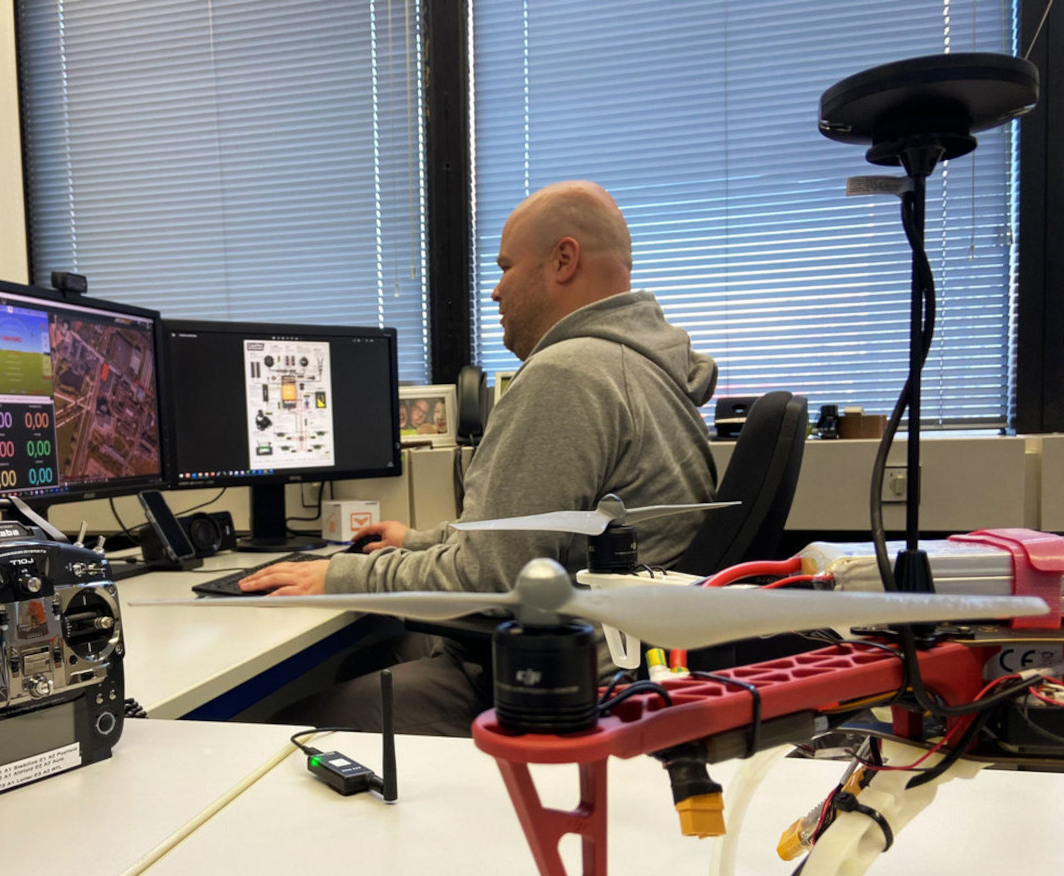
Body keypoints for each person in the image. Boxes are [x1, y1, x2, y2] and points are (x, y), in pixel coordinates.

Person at [241, 180, 718, 735]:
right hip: (611, 657)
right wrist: (418, 541)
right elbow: (553, 537)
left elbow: (487, 578)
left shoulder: (569, 375)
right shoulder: (643, 366)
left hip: (556, 682)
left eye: (505, 267)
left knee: (274, 729)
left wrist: (341, 574)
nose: (494, 292)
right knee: (365, 660)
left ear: (563, 260)